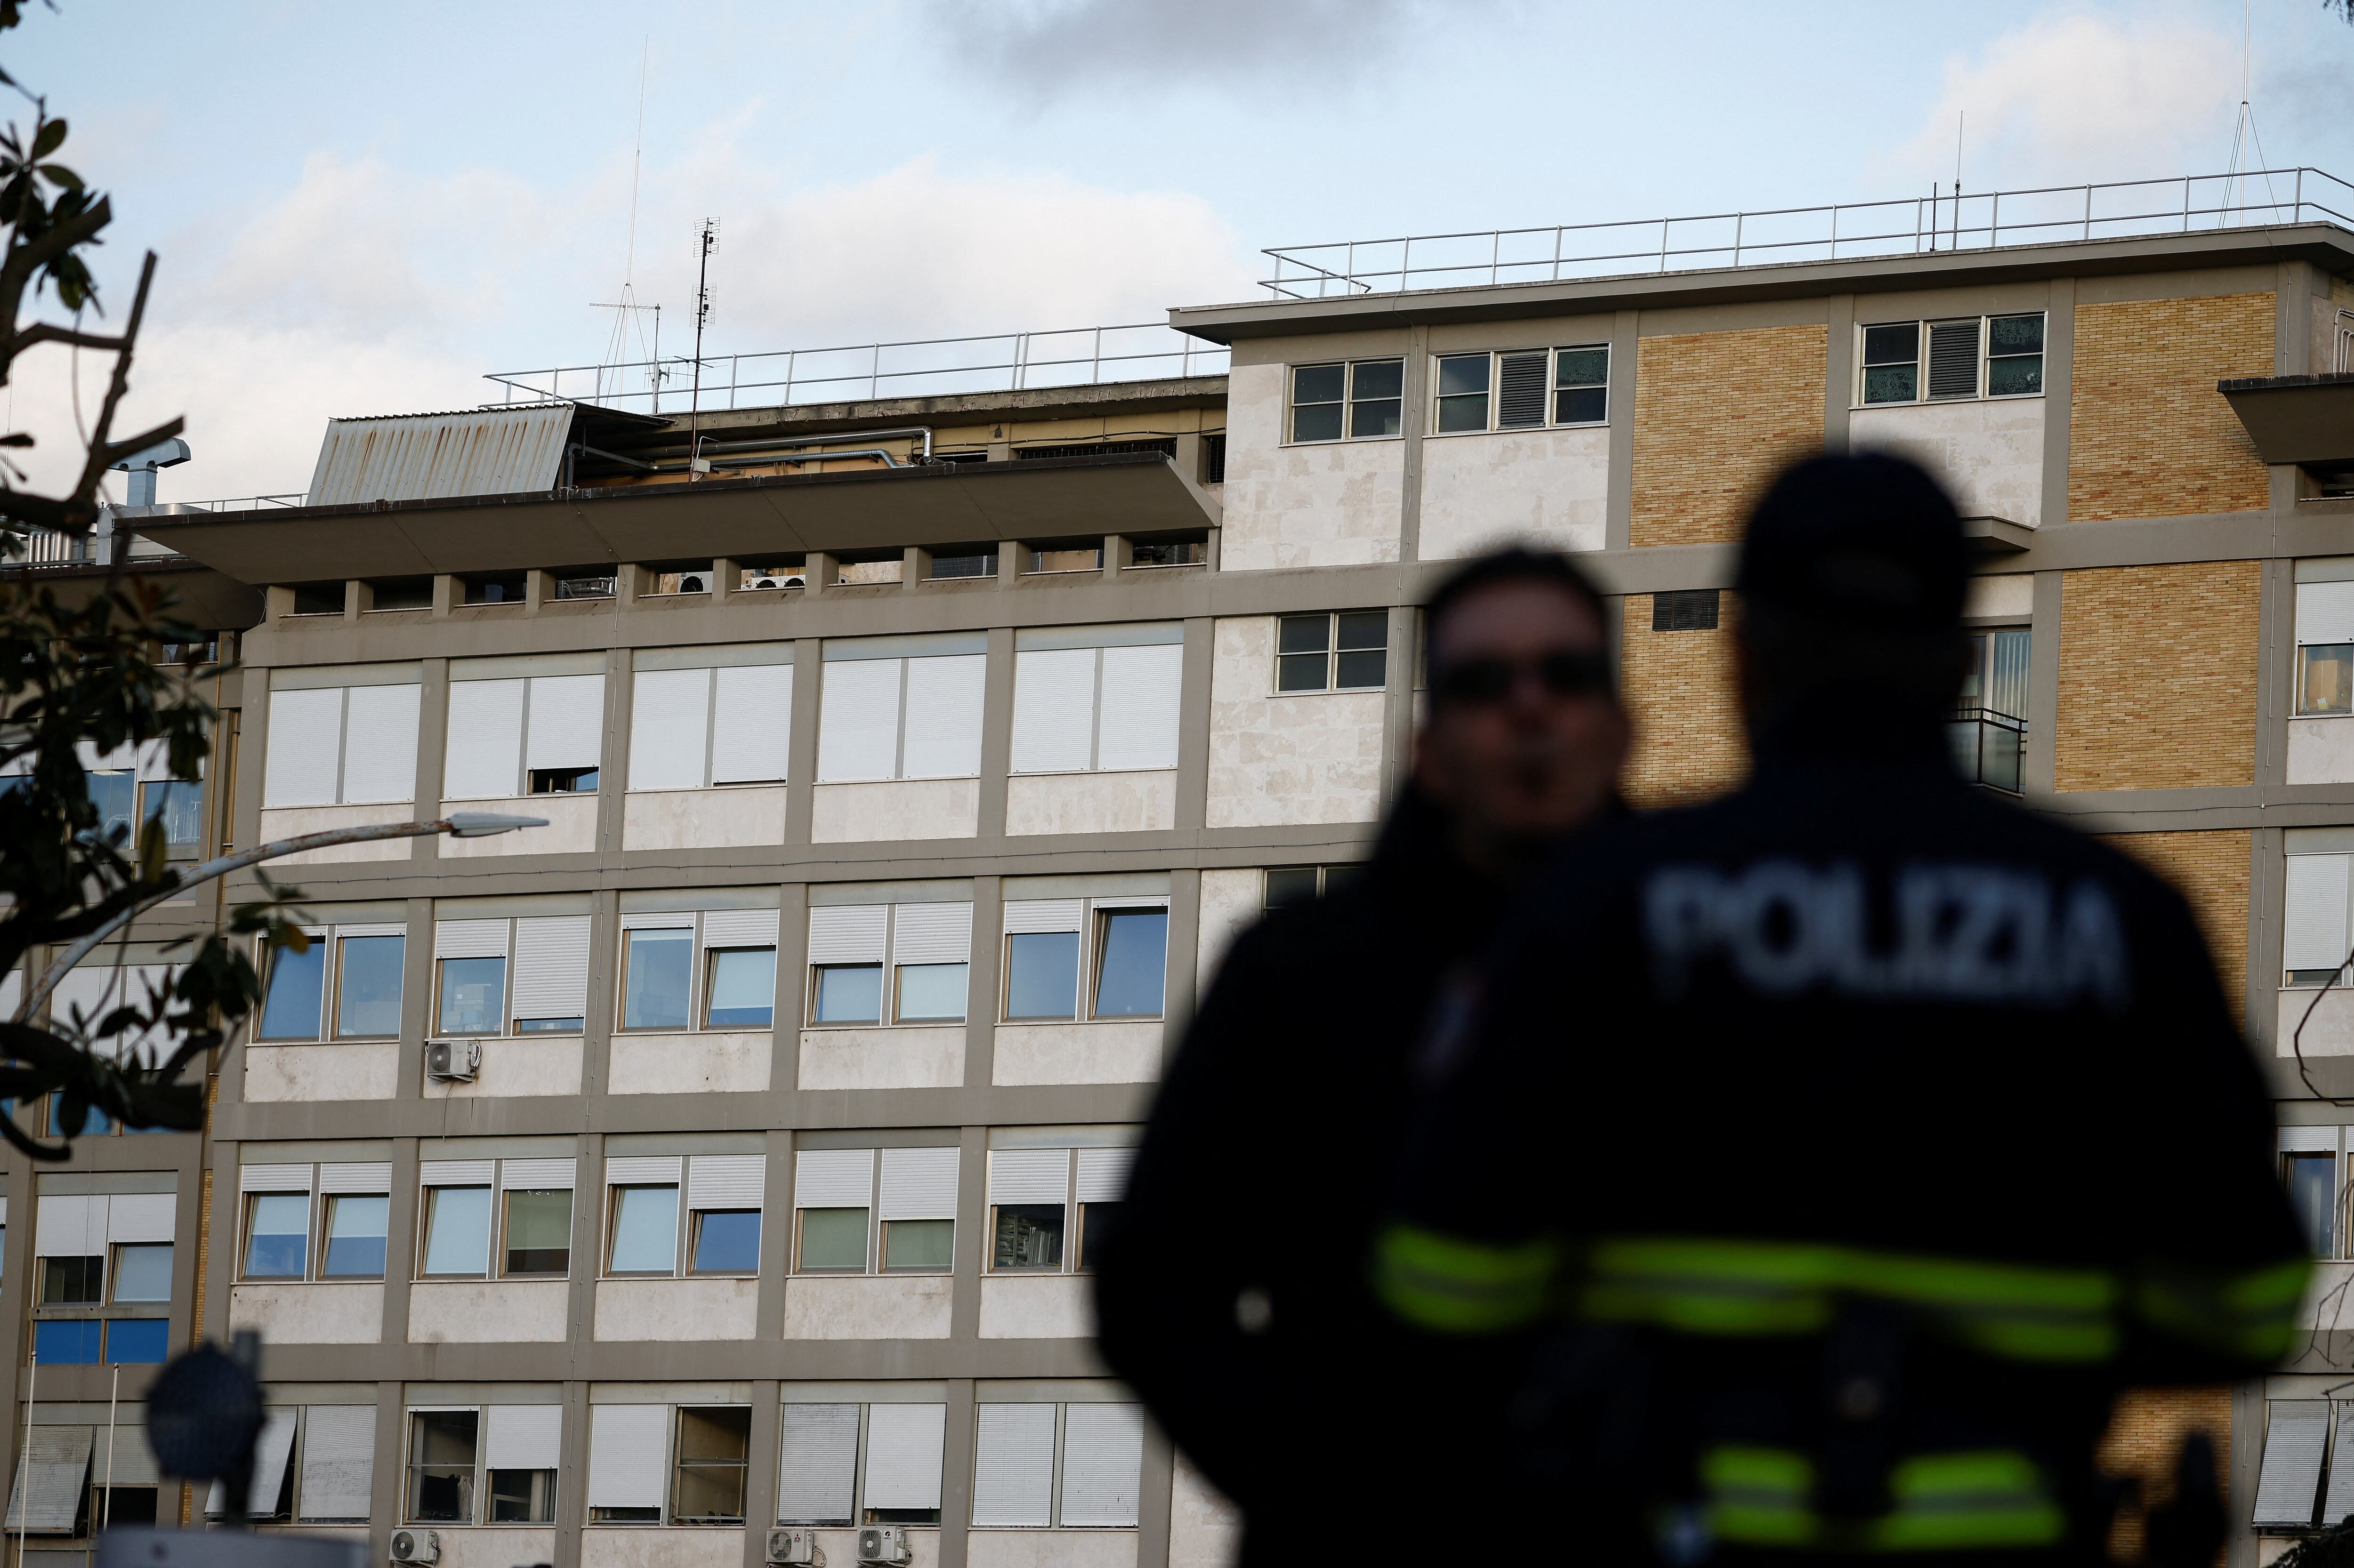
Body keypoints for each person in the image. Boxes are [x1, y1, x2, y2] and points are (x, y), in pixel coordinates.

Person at [1379, 453, 2309, 1565]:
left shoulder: (1602, 903)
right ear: (1963, 659)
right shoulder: (2121, 919)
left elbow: (1443, 1276)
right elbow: (2247, 1305)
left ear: (1742, 660)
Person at [1093, 547, 1632, 1567]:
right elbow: (1151, 1283)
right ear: (1427, 748)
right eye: (1483, 682)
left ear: (1620, 726)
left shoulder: (1709, 961)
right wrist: (1321, 1489)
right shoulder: (1300, 972)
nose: (1528, 708)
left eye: (1566, 674)